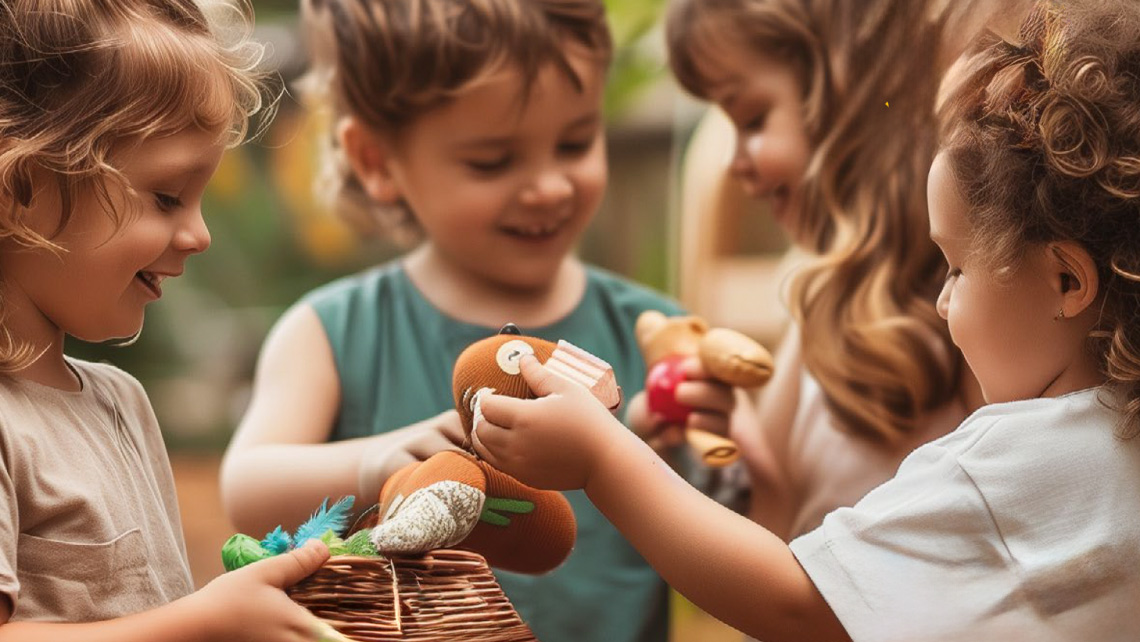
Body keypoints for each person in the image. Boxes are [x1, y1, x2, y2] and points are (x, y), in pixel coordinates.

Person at [472, 1, 1140, 639]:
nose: (943, 300)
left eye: (957, 270)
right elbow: (794, 542)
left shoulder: (1012, 451)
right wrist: (737, 468)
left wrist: (601, 458)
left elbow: (795, 603)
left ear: (1066, 279)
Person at [218, 1, 691, 640]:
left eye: (575, 143)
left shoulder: (653, 331)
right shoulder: (331, 332)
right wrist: (374, 463)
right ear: (378, 161)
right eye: (492, 161)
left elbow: (755, 516)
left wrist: (712, 439)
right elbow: (245, 488)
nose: (550, 186)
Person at [0, 1, 349, 641]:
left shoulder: (121, 403)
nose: (200, 234)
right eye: (166, 197)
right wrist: (206, 622)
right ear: (20, 186)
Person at [656, 0, 1031, 542]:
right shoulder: (818, 296)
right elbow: (782, 538)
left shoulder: (977, 310)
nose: (733, 163)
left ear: (846, 101)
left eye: (753, 120)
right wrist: (728, 457)